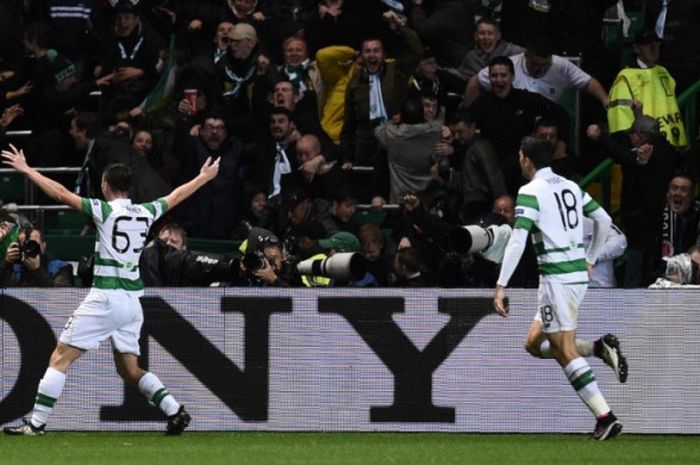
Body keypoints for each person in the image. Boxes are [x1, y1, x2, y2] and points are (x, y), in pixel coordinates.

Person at [1, 143, 220, 436]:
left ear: (105, 185)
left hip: (105, 297)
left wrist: (27, 170)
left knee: (59, 358)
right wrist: (204, 177)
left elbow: (61, 194)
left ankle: (36, 423)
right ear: (129, 188)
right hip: (132, 303)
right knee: (130, 370)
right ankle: (175, 410)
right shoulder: (146, 211)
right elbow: (176, 195)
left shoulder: (103, 210)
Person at [493, 136, 627, 441]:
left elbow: (518, 240)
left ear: (526, 159)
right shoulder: (570, 186)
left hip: (557, 280)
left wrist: (501, 285)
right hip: (574, 277)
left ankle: (605, 417)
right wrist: (590, 257)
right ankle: (597, 348)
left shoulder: (530, 192)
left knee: (563, 349)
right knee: (533, 344)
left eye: (519, 156)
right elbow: (603, 219)